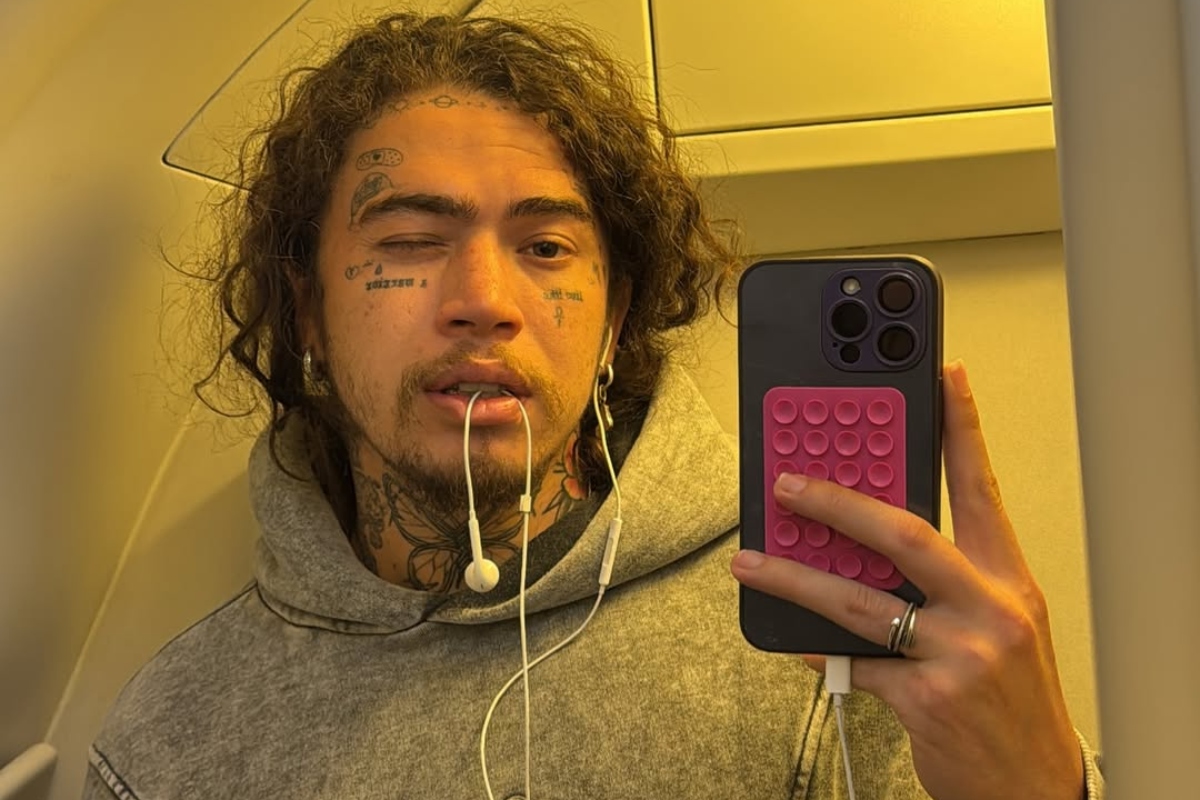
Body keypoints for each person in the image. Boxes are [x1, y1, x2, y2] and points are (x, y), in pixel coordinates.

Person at [86, 11, 1103, 800]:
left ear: (614, 320)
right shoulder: (166, 739)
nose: (484, 299)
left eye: (545, 248)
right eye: (410, 241)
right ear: (307, 308)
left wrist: (1043, 786)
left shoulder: (834, 642)